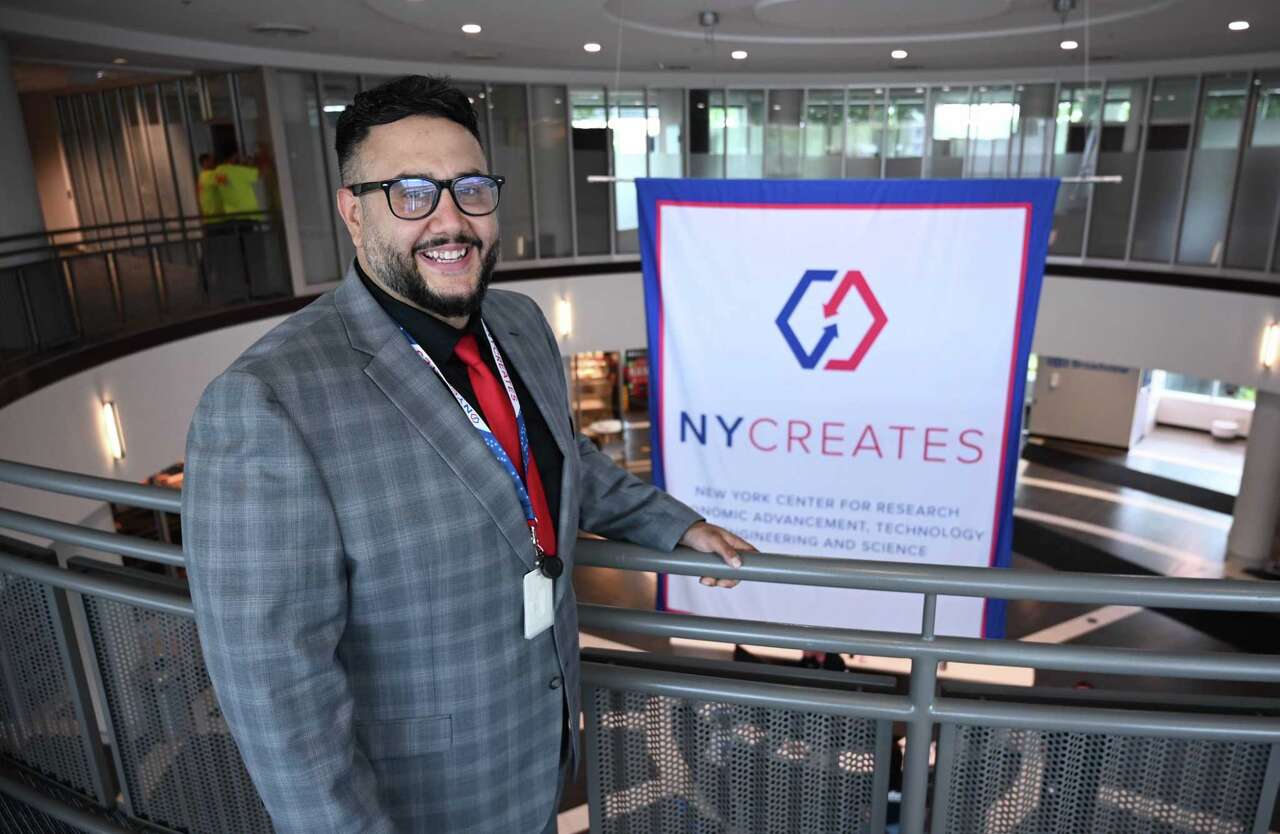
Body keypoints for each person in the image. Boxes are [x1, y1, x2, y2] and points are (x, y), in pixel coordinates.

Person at [181, 74, 754, 834]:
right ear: (354, 213)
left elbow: (561, 459)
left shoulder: (517, 323)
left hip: (536, 759)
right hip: (418, 801)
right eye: (411, 193)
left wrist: (673, 525)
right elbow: (278, 696)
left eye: (470, 188)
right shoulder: (267, 404)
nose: (451, 221)